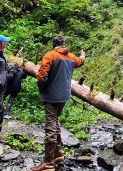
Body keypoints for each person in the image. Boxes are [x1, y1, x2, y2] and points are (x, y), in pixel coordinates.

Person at [30, 35, 85, 171]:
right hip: (64, 96)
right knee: (55, 121)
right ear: (64, 44)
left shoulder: (50, 55)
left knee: (50, 126)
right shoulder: (71, 56)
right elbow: (80, 62)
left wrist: (43, 88)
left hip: (51, 96)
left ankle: (48, 162)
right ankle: (58, 153)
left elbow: (42, 76)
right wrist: (83, 55)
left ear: (53, 44)